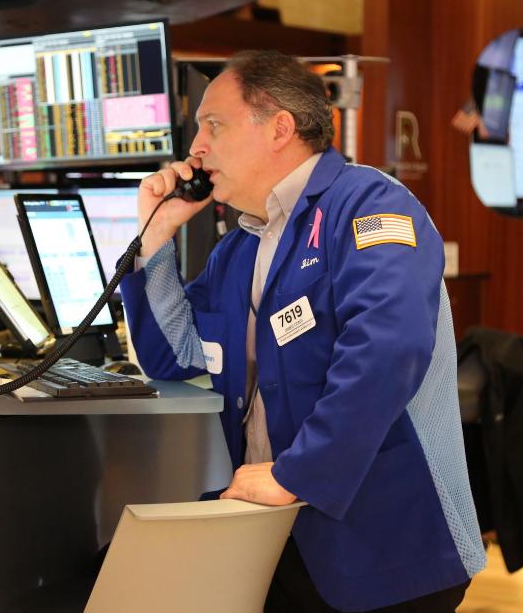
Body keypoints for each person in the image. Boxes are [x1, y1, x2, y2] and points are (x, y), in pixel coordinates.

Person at [119, 50, 485, 612]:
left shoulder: (369, 204)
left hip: (385, 549)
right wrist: (156, 236)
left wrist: (300, 473)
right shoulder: (240, 247)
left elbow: (388, 348)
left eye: (214, 125)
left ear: (279, 128)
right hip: (281, 537)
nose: (196, 148)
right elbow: (177, 355)